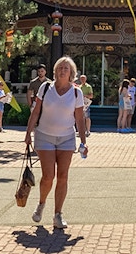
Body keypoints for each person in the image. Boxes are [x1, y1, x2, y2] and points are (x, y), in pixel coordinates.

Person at [23, 56, 88, 230]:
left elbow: (80, 119)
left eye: (66, 68)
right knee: (48, 176)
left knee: (63, 176)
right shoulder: (45, 88)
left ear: (71, 73)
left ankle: (58, 214)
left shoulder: (76, 92)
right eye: (60, 67)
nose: (62, 70)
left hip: (67, 137)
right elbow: (36, 112)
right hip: (44, 136)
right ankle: (41, 203)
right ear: (55, 71)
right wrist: (28, 133)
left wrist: (83, 141)